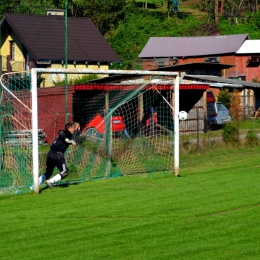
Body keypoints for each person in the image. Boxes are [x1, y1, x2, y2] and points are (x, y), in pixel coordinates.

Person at [36, 122, 76, 189]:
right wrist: (68, 141)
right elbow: (60, 132)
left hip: (50, 153)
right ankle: (51, 181)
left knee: (49, 172)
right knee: (65, 172)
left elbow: (64, 137)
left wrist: (71, 142)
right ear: (70, 128)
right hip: (57, 154)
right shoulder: (67, 133)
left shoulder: (66, 135)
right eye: (73, 128)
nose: (74, 129)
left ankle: (35, 185)